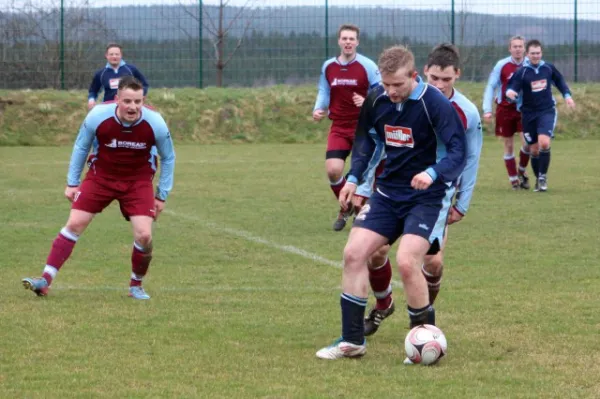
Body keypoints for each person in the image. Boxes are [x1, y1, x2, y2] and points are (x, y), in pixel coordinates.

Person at [315, 45, 467, 360]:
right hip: (387, 193)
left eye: (397, 85)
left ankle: (425, 344)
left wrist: (433, 172)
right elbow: (366, 140)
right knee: (353, 253)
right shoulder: (377, 98)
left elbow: (457, 151)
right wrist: (354, 178)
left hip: (427, 196)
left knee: (408, 261)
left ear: (414, 76)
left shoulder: (433, 104)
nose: (391, 91)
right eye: (386, 84)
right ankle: (352, 341)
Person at [359, 45, 483, 365]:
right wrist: (360, 182)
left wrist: (462, 202)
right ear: (422, 73)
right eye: (434, 77)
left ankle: (425, 329)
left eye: (445, 78)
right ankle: (386, 306)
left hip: (436, 194)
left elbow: (468, 158)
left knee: (432, 263)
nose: (439, 84)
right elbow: (377, 143)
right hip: (395, 193)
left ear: (457, 75)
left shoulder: (462, 111)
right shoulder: (397, 99)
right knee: (377, 252)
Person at [22, 76, 175, 300]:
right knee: (74, 223)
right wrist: (72, 182)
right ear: (117, 99)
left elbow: (168, 157)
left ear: (143, 101)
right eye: (127, 101)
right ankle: (44, 281)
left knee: (144, 236)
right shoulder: (98, 115)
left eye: (138, 102)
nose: (133, 107)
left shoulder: (156, 123)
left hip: (138, 181)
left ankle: (136, 285)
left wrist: (161, 195)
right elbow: (81, 146)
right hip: (101, 176)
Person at [313, 24, 381, 231]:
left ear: (357, 42)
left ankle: (361, 213)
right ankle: (346, 206)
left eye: (352, 39)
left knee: (365, 175)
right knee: (333, 171)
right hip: (339, 127)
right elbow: (324, 91)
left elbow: (381, 91)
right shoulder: (328, 67)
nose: (348, 42)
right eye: (344, 38)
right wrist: (318, 108)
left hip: (363, 127)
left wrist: (368, 100)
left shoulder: (367, 66)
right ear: (339, 41)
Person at [506, 39, 575, 192]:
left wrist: (567, 96)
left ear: (541, 53)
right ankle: (539, 179)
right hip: (528, 114)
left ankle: (543, 178)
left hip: (546, 111)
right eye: (532, 53)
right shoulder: (522, 71)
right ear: (527, 54)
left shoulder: (548, 68)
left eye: (538, 53)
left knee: (544, 142)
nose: (535, 56)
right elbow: (512, 88)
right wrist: (510, 93)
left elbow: (560, 81)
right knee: (534, 149)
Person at [482, 36, 531, 190]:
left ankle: (521, 171)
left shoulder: (530, 64)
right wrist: (487, 110)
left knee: (528, 143)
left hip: (525, 109)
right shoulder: (502, 65)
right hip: (505, 109)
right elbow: (491, 86)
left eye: (520, 46)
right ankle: (514, 180)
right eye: (514, 46)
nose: (517, 49)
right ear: (510, 49)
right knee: (508, 145)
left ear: (524, 49)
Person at [88, 43, 149, 110]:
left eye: (117, 54)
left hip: (128, 108)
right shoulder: (100, 74)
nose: (114, 56)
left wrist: (139, 95)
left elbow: (144, 84)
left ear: (121, 55)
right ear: (106, 56)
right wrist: (91, 99)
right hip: (108, 108)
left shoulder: (131, 70)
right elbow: (93, 91)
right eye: (111, 54)